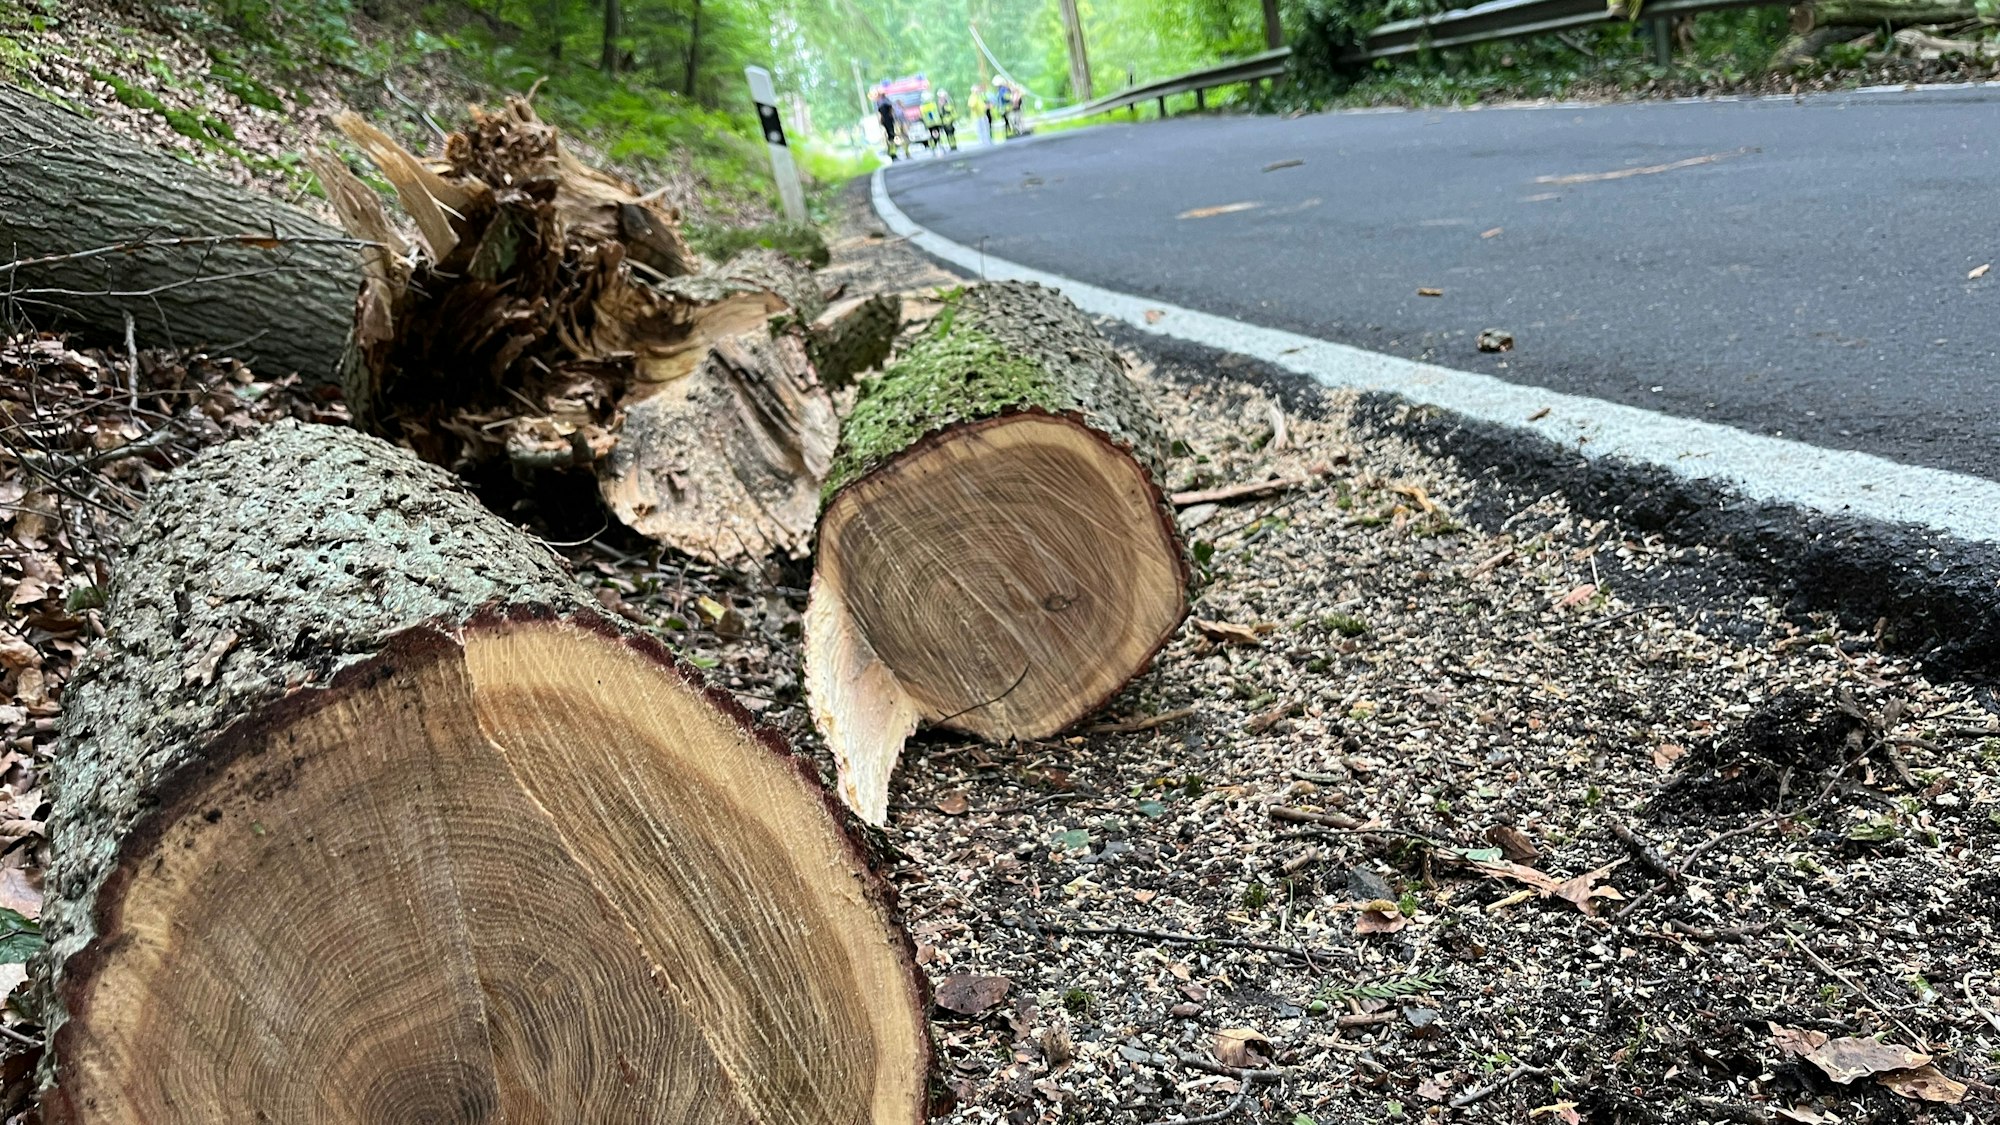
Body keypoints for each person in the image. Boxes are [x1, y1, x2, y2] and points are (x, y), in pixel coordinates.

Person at [875, 91, 901, 162]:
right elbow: (890, 110)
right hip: (888, 121)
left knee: (890, 137)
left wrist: (880, 121)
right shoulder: (885, 102)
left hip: (886, 121)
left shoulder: (880, 102)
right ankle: (892, 152)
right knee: (891, 137)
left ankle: (892, 152)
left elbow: (880, 113)